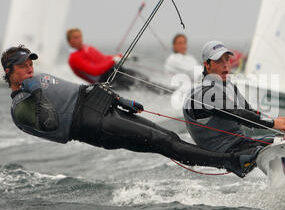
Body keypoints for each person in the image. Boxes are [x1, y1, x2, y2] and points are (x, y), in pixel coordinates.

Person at [2, 45, 259, 178]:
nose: (29, 68)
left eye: (30, 63)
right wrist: (34, 92)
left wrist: (118, 99)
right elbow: (49, 123)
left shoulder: (36, 78)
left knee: (169, 136)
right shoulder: (19, 107)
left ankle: (232, 154)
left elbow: (74, 89)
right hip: (89, 124)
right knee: (163, 142)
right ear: (9, 72)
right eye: (23, 66)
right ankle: (232, 162)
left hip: (99, 103)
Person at [183, 41, 285, 155]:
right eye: (219, 61)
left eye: (227, 59)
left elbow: (248, 111)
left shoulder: (230, 87)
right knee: (279, 146)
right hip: (223, 153)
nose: (225, 64)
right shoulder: (204, 93)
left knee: (284, 141)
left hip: (240, 144)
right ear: (207, 65)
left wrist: (274, 120)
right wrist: (272, 123)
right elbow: (237, 113)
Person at [67, 28, 159, 92]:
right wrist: (114, 60)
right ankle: (166, 95)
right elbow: (95, 71)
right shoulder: (73, 58)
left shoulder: (87, 48)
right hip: (108, 80)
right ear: (69, 41)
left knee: (144, 79)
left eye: (80, 36)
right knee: (141, 85)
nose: (79, 40)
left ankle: (169, 91)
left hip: (114, 70)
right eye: (76, 38)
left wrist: (122, 56)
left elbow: (103, 59)